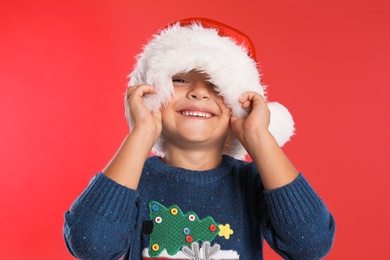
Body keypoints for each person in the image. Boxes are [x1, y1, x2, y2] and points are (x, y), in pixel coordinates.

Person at [63, 18, 335, 259]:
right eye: (180, 79)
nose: (199, 93)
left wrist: (257, 135)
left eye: (217, 85)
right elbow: (90, 245)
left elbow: (311, 245)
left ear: (237, 107)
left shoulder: (255, 181)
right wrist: (142, 132)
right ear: (152, 96)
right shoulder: (132, 180)